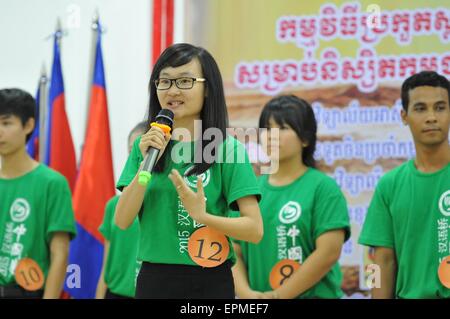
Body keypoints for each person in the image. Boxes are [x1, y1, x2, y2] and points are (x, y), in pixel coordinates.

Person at [114, 43, 263, 299]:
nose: (173, 90)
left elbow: (254, 229)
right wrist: (144, 167)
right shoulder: (145, 146)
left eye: (184, 81)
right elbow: (122, 220)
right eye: (165, 82)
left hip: (210, 279)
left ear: (208, 89)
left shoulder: (228, 149)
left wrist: (202, 216)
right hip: (155, 279)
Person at [232, 95, 350, 299]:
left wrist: (279, 296)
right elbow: (234, 250)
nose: (272, 136)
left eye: (283, 128)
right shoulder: (249, 191)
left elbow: (328, 252)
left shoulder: (323, 188)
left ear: (305, 138)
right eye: (267, 129)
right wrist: (247, 295)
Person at [359, 71, 450, 299]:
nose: (431, 117)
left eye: (440, 107)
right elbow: (377, 261)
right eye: (420, 108)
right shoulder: (389, 185)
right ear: (404, 115)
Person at [0, 88, 76, 298]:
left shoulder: (52, 183)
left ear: (29, 125)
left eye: (6, 123)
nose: (0, 131)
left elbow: (59, 254)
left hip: (28, 292)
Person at [95, 121, 147, 299]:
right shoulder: (113, 206)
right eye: (134, 149)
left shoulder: (171, 205)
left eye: (147, 148)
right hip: (115, 294)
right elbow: (107, 264)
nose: (140, 154)